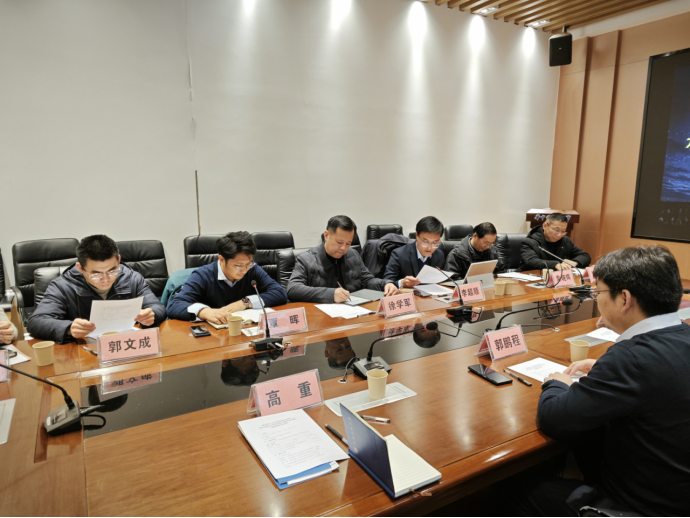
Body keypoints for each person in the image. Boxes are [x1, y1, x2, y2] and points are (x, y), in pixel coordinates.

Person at [506, 246, 690, 516]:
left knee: (513, 487)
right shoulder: (682, 335)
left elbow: (554, 419)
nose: (596, 299)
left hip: (643, 508)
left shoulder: (630, 358)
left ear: (624, 299)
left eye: (598, 292)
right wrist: (605, 370)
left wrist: (558, 382)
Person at [27, 235, 166, 344]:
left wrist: (151, 315)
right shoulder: (62, 286)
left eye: (112, 271)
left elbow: (158, 307)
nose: (106, 279)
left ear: (118, 260)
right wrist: (69, 328)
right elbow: (36, 322)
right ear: (80, 268)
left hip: (125, 345)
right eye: (96, 274)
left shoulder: (131, 278)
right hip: (84, 353)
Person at [167, 232, 287, 324]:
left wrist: (245, 302)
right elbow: (175, 305)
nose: (244, 270)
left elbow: (279, 293)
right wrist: (205, 312)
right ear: (222, 260)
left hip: (245, 330)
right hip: (214, 335)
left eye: (248, 263)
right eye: (238, 266)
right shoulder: (203, 275)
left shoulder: (253, 269)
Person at [287, 215, 398, 303]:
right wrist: (331, 294)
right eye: (339, 242)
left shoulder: (353, 254)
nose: (343, 248)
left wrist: (386, 284)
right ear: (326, 235)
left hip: (354, 313)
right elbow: (293, 289)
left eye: (348, 243)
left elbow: (367, 280)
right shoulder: (306, 259)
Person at [383, 216, 446, 289]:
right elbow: (387, 281)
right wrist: (402, 283)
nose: (429, 247)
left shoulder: (439, 255)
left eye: (435, 243)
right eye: (425, 242)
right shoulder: (399, 254)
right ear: (416, 235)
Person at [520, 213, 591, 272]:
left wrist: (575, 262)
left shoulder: (565, 241)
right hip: (531, 278)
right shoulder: (529, 242)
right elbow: (531, 261)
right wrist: (555, 265)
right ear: (545, 226)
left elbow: (585, 255)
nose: (559, 235)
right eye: (556, 230)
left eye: (563, 231)